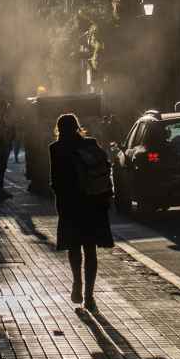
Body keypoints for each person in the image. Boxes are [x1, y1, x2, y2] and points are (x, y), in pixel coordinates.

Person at [48, 113, 115, 311]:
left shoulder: (56, 148)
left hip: (70, 205)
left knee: (74, 247)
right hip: (93, 203)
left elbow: (55, 181)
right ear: (77, 127)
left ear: (59, 129)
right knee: (90, 250)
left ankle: (77, 283)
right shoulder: (90, 144)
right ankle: (90, 296)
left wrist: (60, 204)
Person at [0, 95, 16, 197]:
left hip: (5, 144)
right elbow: (3, 131)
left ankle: (2, 190)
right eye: (6, 107)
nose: (7, 109)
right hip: (2, 145)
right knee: (1, 167)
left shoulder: (0, 116)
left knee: (2, 167)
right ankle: (1, 191)